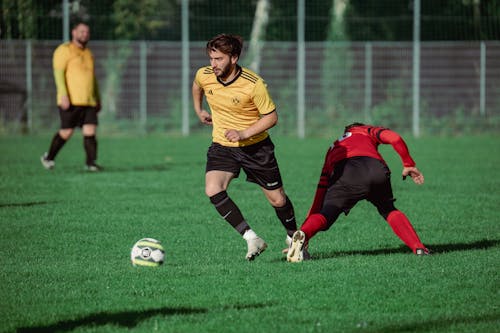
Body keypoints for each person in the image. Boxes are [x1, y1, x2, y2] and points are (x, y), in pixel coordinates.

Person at [192, 34, 297, 261]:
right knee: (213, 189)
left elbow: (271, 117)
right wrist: (198, 109)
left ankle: (293, 238)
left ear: (234, 58)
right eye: (211, 58)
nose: (213, 64)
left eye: (219, 59)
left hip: (256, 148)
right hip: (223, 145)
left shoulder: (253, 84)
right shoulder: (205, 74)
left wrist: (244, 133)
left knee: (277, 200)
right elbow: (197, 85)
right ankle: (251, 238)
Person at [287, 123, 430, 262]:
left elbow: (321, 189)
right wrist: (408, 164)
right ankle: (419, 248)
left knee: (327, 213)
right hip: (376, 170)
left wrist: (305, 231)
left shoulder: (333, 148)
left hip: (347, 173)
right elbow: (395, 138)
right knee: (388, 209)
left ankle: (302, 235)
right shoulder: (366, 130)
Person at [40, 22, 101, 172]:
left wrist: (98, 98)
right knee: (66, 132)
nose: (84, 34)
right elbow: (58, 74)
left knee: (90, 131)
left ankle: (91, 163)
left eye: (87, 32)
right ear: (74, 32)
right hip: (71, 100)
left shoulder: (88, 53)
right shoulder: (64, 50)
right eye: (81, 31)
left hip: (88, 101)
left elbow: (93, 78)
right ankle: (48, 158)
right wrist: (63, 95)